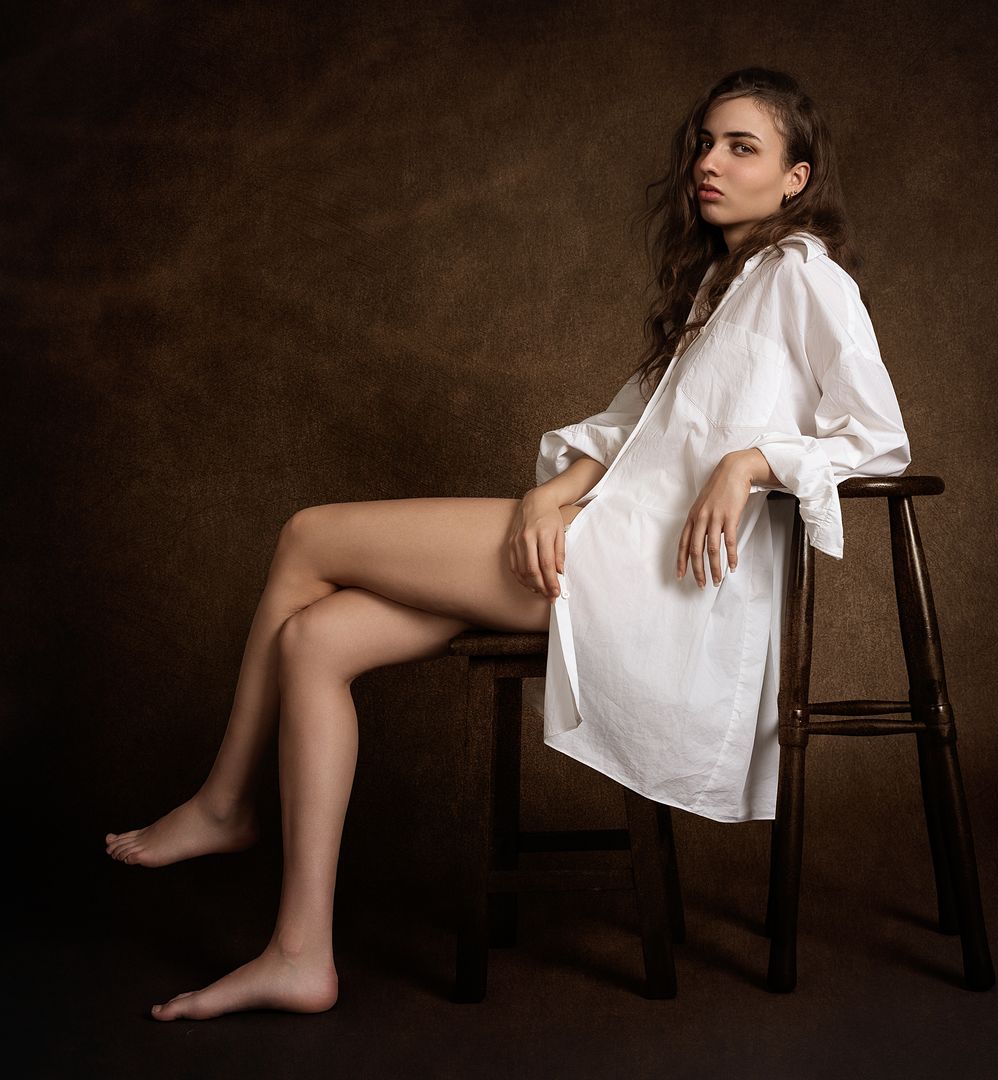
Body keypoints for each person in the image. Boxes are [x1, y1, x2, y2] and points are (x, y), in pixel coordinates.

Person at [104, 67, 910, 1022]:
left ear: (794, 178)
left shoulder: (803, 274)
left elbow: (878, 437)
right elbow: (633, 429)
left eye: (743, 148)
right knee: (314, 640)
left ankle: (224, 803)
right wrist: (548, 492)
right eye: (705, 142)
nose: (710, 162)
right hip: (609, 540)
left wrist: (751, 463)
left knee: (308, 535)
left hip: (649, 580)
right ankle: (298, 954)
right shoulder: (720, 286)